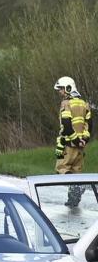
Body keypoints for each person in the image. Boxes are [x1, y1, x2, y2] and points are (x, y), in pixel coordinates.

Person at [54, 76, 92, 207]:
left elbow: (66, 125)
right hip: (81, 147)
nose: (60, 92)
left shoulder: (66, 104)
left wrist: (75, 140)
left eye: (61, 89)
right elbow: (89, 126)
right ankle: (73, 200)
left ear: (68, 88)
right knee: (76, 174)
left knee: (61, 169)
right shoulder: (84, 104)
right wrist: (84, 140)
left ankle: (79, 187)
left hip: (68, 146)